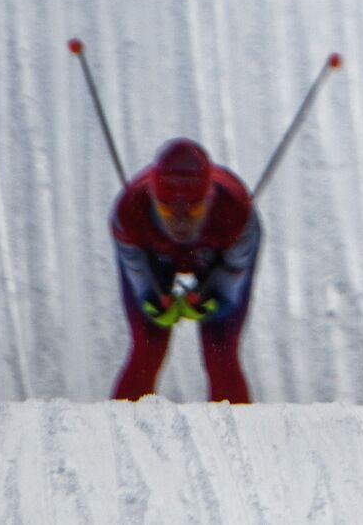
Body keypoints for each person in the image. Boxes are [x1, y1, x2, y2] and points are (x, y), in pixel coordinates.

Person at [109, 137, 261, 403]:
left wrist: (214, 299)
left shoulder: (237, 212)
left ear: (209, 198)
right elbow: (137, 273)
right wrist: (151, 297)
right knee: (148, 346)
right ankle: (119, 436)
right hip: (155, 255)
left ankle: (236, 440)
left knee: (221, 352)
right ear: (153, 198)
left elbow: (232, 279)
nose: (180, 223)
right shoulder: (129, 213)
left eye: (194, 209)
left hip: (217, 257)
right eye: (167, 209)